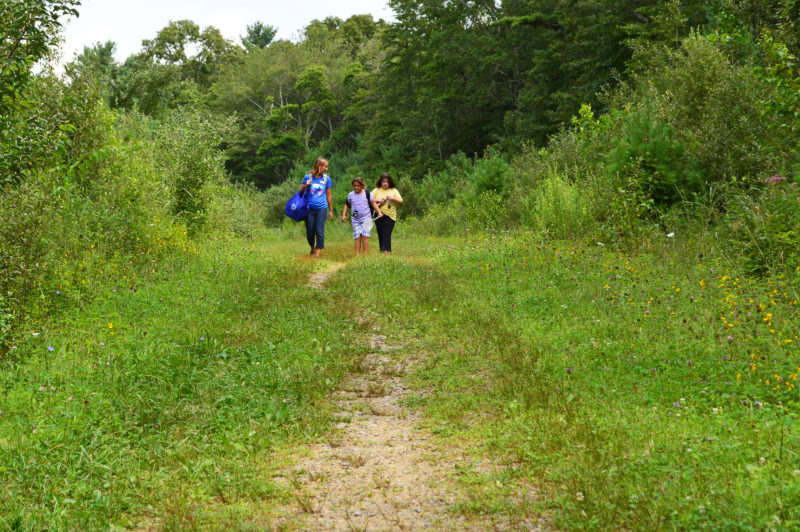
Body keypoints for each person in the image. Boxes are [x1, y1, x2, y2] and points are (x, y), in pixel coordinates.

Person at [299, 157, 333, 257]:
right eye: (325, 167)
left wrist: (331, 209)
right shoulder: (307, 177)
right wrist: (306, 185)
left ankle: (318, 252)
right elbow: (300, 193)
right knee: (310, 231)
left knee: (319, 229)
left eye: (327, 167)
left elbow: (329, 194)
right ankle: (312, 247)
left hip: (322, 208)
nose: (326, 169)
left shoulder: (327, 179)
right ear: (319, 166)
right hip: (309, 209)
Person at [341, 177, 383, 255]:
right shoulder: (350, 195)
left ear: (362, 186)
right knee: (357, 237)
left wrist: (379, 212)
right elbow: (347, 205)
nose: (356, 187)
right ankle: (357, 255)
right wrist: (344, 215)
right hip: (355, 219)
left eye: (358, 186)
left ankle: (365, 255)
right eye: (354, 186)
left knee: (364, 236)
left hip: (366, 218)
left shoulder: (367, 193)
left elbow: (373, 203)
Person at [371, 173, 403, 254]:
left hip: (390, 215)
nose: (385, 183)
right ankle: (383, 250)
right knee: (380, 233)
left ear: (390, 182)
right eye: (383, 181)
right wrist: (378, 200)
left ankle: (386, 251)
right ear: (380, 182)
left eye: (387, 181)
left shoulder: (394, 190)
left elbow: (401, 201)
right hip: (378, 214)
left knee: (386, 233)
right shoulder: (376, 190)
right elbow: (369, 200)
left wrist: (392, 198)